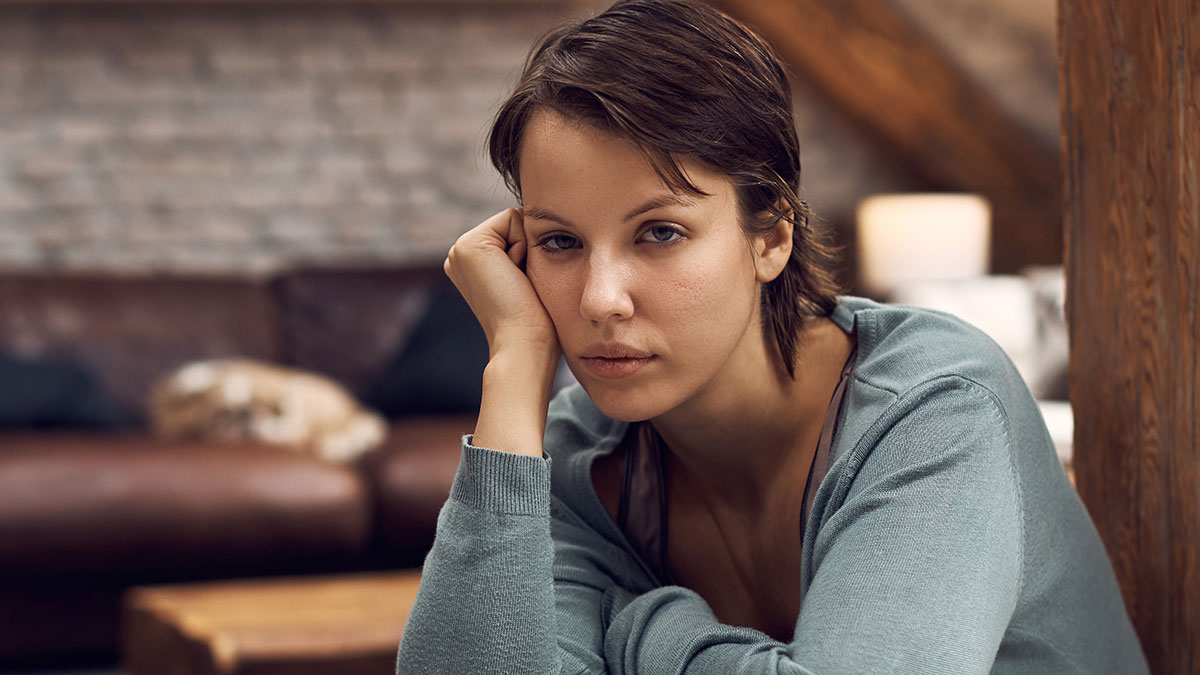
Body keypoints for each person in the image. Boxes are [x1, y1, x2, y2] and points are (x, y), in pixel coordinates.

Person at [394, 1, 1148, 672]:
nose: (601, 299)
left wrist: (640, 626)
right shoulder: (584, 461)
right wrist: (515, 365)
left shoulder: (935, 410)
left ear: (772, 236)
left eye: (660, 232)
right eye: (559, 242)